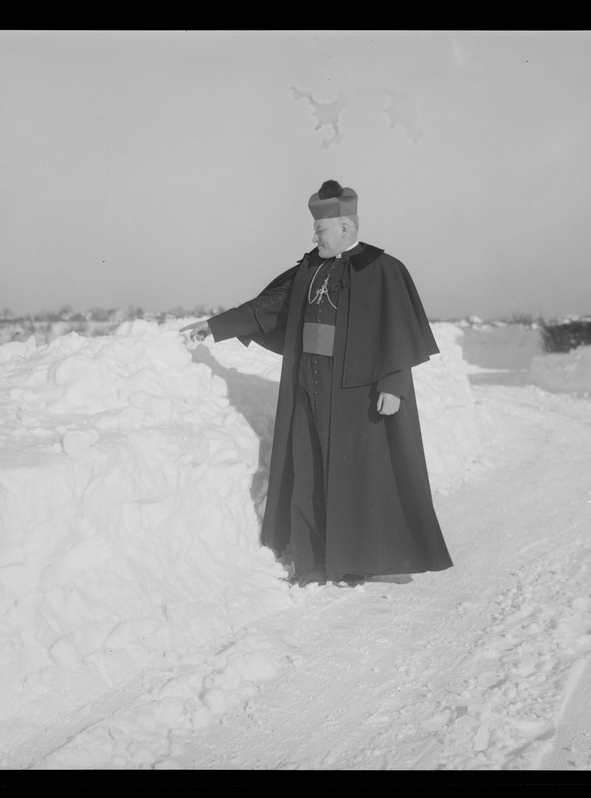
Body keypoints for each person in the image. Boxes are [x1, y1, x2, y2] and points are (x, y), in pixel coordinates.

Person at [181, 180, 452, 586]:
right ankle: (312, 562)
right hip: (309, 380)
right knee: (309, 468)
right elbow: (266, 307)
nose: (314, 236)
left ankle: (365, 561)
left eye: (321, 230)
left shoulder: (384, 270)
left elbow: (397, 330)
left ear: (344, 227)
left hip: (358, 390)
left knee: (358, 474)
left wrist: (393, 385)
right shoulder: (309, 269)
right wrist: (213, 326)